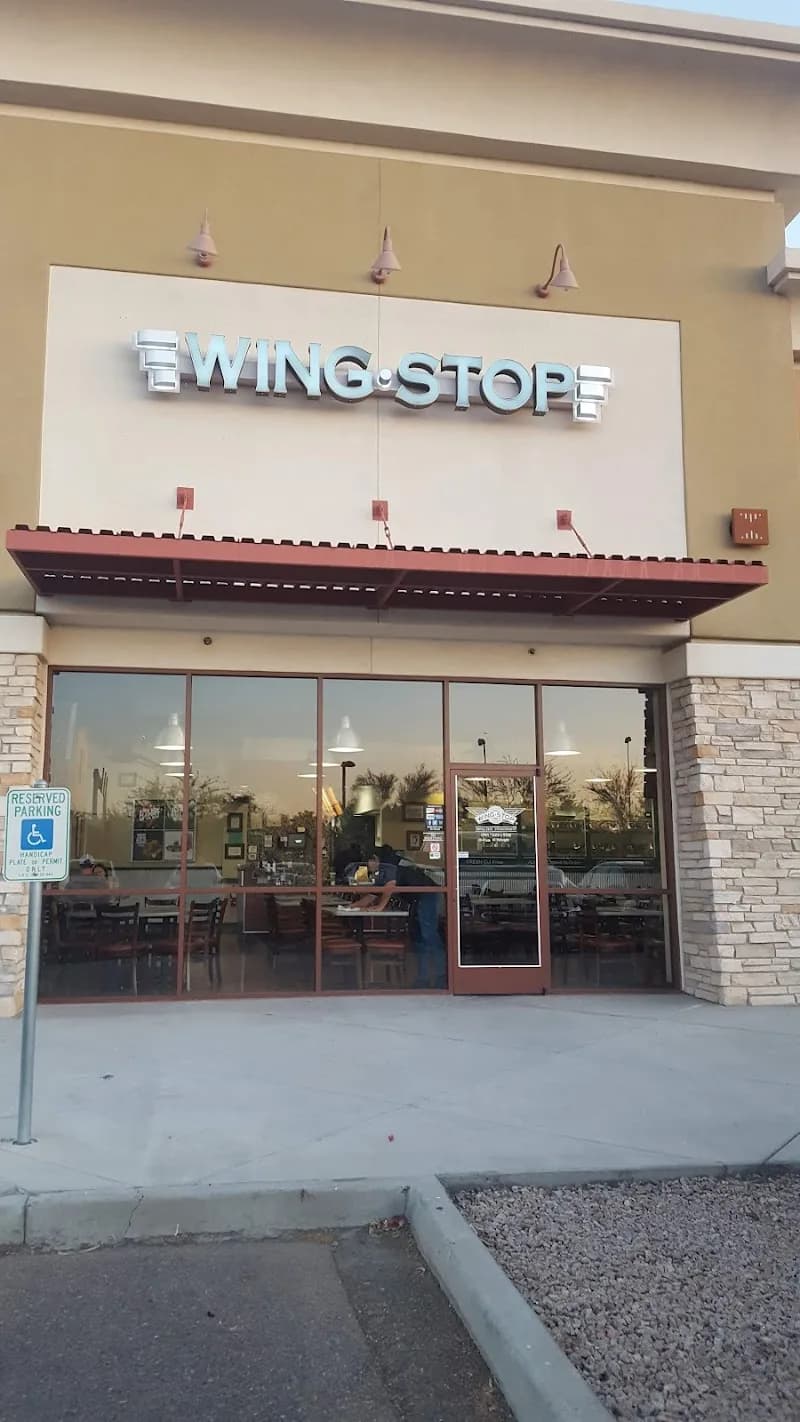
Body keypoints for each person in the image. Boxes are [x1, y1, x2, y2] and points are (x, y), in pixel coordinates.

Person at [358, 845, 446, 989]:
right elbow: (372, 895)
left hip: (428, 895)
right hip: (417, 899)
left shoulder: (390, 866)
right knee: (417, 938)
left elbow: (389, 887)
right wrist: (352, 906)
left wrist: (380, 906)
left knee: (429, 936)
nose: (367, 868)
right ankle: (422, 978)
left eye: (367, 863)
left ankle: (442, 976)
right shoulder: (384, 871)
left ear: (374, 859)